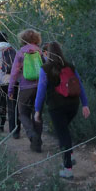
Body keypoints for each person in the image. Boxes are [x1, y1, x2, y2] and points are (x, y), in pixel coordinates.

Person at [33, 42, 90, 178]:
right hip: (73, 105)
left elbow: (41, 92)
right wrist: (85, 104)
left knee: (63, 135)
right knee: (65, 132)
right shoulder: (70, 66)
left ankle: (68, 168)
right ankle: (69, 155)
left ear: (48, 53)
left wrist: (37, 110)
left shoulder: (45, 69)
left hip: (56, 107)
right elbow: (80, 85)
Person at [8, 29, 43, 152]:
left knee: (22, 113)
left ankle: (32, 135)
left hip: (25, 88)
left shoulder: (21, 52)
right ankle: (37, 144)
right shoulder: (39, 51)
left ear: (22, 39)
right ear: (36, 38)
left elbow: (14, 73)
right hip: (39, 87)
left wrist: (11, 88)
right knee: (37, 114)